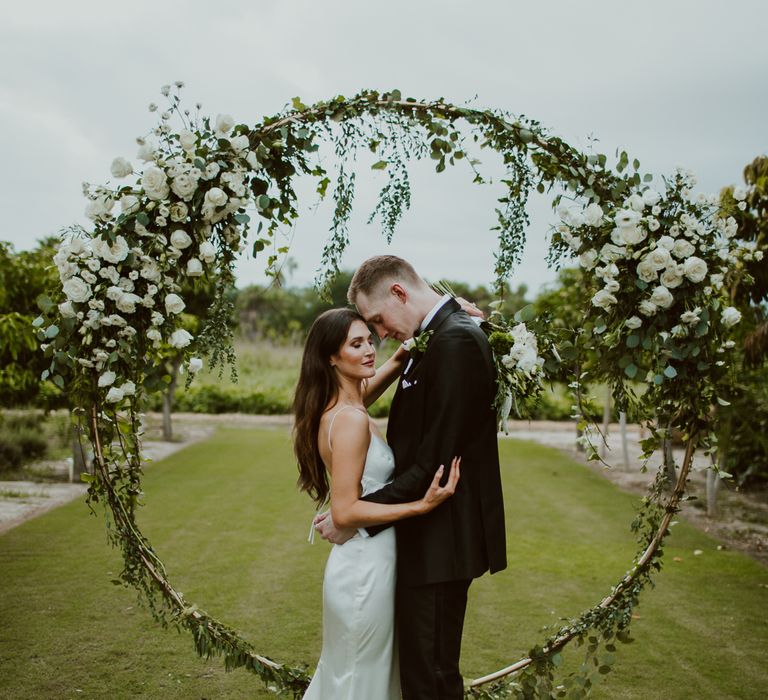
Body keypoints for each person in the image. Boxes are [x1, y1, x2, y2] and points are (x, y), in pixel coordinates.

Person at [315, 255, 507, 699]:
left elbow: (432, 467)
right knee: (418, 675)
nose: (380, 335)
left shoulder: (454, 340)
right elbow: (360, 397)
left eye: (379, 321)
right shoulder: (438, 337)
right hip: (421, 538)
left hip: (442, 538)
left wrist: (354, 516)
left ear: (399, 293)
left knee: (432, 681)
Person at [293, 307, 461, 700]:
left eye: (370, 339)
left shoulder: (347, 404)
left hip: (368, 562)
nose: (370, 349)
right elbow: (345, 512)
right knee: (359, 678)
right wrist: (419, 507)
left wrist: (411, 344)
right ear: (331, 357)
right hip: (363, 571)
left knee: (359, 673)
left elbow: (380, 375)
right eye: (356, 344)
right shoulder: (349, 420)